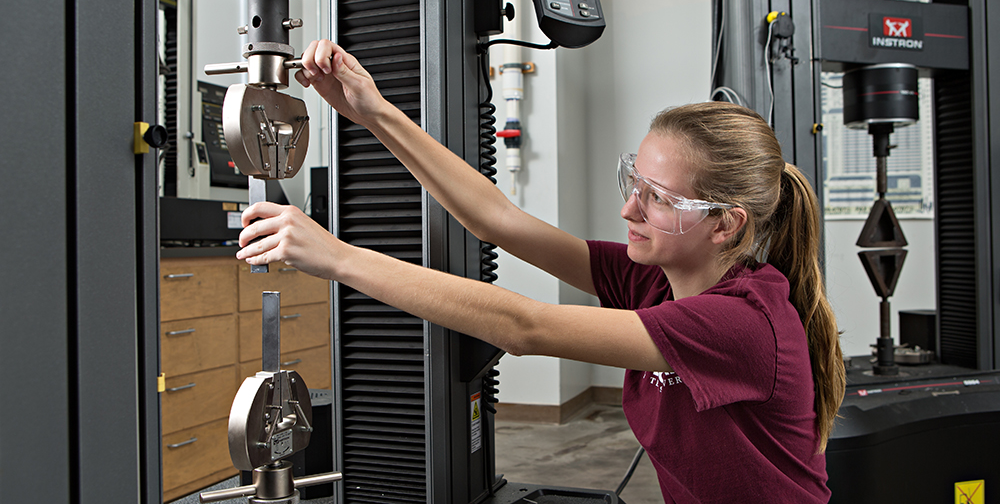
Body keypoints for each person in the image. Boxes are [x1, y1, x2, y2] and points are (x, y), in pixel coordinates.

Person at [238, 39, 846, 503]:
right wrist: (373, 113)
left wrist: (337, 258)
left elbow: (523, 327)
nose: (629, 208)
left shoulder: (743, 322)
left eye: (656, 198)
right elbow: (499, 220)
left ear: (726, 224)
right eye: (632, 181)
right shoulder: (656, 278)